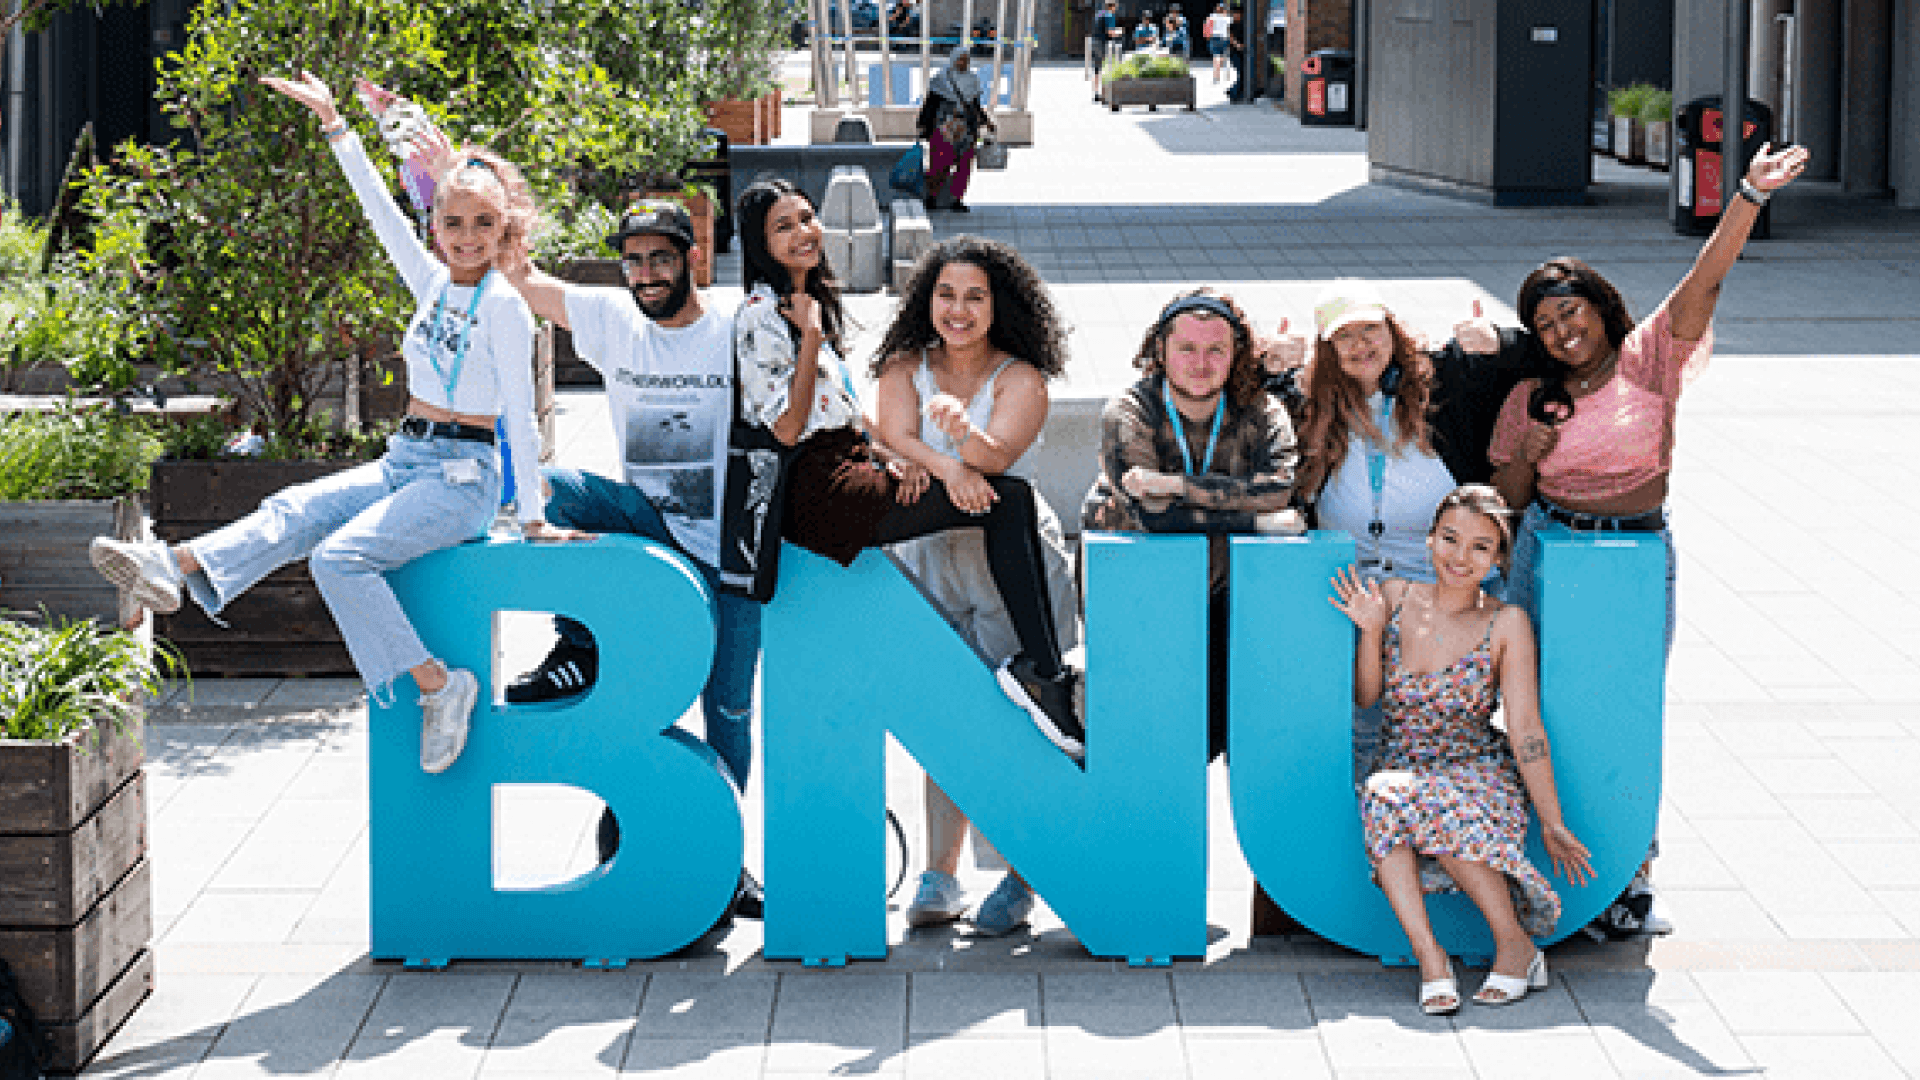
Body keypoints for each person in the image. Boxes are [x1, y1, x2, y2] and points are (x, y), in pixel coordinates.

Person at [91, 71, 549, 775]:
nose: (465, 237)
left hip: (464, 477)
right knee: (298, 505)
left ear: (504, 230)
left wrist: (535, 515)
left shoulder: (506, 309)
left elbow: (520, 412)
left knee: (341, 557)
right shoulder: (428, 283)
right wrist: (336, 124)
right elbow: (375, 209)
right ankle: (172, 567)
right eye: (453, 223)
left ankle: (439, 686)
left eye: (482, 224)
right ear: (435, 226)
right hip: (408, 459)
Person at [1487, 141, 1808, 941]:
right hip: (1547, 553)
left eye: (1571, 311)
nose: (1562, 331)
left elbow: (1706, 278)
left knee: (1623, 711)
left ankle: (1630, 877)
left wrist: (1747, 195)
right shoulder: (1531, 395)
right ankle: (1536, 862)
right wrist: (1526, 457)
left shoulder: (1650, 359)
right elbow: (1507, 504)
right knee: (1537, 709)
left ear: (1598, 304)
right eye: (1545, 323)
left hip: (1632, 558)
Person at [732, 179, 1082, 755]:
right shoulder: (761, 314)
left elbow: (853, 420)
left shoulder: (805, 304)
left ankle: (1042, 674)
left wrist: (896, 460)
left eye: (806, 217)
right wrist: (815, 339)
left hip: (849, 468)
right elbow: (789, 429)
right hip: (818, 489)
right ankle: (1045, 675)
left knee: (1007, 501)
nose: (802, 233)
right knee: (1010, 502)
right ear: (759, 243)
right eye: (783, 226)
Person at [499, 200, 766, 918]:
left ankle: (720, 862)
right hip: (652, 532)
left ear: (692, 261)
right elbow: (517, 276)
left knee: (729, 715)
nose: (646, 274)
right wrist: (441, 178)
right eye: (634, 260)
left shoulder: (735, 329)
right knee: (543, 486)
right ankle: (578, 641)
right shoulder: (614, 320)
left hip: (734, 552)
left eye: (661, 259)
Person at [870, 235, 1080, 938]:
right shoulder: (904, 366)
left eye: (975, 297)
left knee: (1024, 713)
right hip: (930, 555)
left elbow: (996, 460)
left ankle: (1026, 876)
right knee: (946, 711)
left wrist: (965, 445)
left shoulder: (1022, 379)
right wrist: (944, 460)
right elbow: (891, 436)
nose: (958, 309)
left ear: (999, 307)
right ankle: (940, 872)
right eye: (946, 293)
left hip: (1009, 565)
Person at [1082, 289, 1300, 938]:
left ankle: (1284, 906)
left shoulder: (1261, 410)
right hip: (1143, 603)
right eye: (1186, 348)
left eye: (1216, 349)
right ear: (1160, 350)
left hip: (1228, 595)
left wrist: (1177, 486)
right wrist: (1251, 517)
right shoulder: (1130, 408)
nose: (1201, 362)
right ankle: (1135, 892)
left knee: (1253, 742)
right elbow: (1150, 514)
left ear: (1237, 355)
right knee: (1150, 744)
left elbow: (1283, 487)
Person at [1329, 485, 1595, 1015]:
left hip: (1476, 771)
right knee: (1387, 794)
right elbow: (1367, 697)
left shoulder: (1506, 623)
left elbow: (1525, 727)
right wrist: (1371, 632)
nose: (1460, 557)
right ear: (1429, 541)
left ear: (1497, 559)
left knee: (1412, 801)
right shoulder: (1394, 596)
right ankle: (1430, 957)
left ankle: (1515, 944)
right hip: (1401, 767)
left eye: (1480, 546)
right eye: (1450, 539)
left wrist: (1551, 818)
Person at [1277, 280, 1549, 782]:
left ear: (1393, 331)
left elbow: (1545, 355)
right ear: (1326, 351)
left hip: (1442, 590)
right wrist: (1266, 362)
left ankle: (1434, 820)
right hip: (1350, 597)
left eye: (1370, 330)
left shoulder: (1444, 380)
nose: (1361, 345)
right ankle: (1371, 832)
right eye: (1344, 337)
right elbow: (1233, 392)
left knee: (1432, 733)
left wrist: (1499, 340)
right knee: (1354, 730)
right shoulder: (1306, 401)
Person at [917, 48, 996, 214]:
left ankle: (957, 199)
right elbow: (930, 104)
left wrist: (986, 121)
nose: (963, 63)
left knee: (964, 165)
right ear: (953, 60)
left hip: (966, 129)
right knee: (939, 164)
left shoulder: (972, 80)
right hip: (943, 129)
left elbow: (974, 105)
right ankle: (932, 197)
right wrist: (923, 125)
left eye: (966, 60)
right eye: (960, 59)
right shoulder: (940, 80)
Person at [1093, 0, 1124, 95]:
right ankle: (1105, 93)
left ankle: (1096, 92)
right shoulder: (1110, 15)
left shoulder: (1099, 14)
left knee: (1097, 69)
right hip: (1104, 43)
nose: (1116, 9)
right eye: (1116, 7)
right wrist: (1120, 32)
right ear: (1112, 6)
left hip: (1095, 42)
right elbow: (1110, 32)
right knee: (1107, 67)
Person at [1203, 3, 1231, 83]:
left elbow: (1207, 27)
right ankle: (1222, 75)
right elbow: (1229, 29)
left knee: (1216, 58)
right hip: (1224, 39)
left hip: (1214, 38)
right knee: (1222, 58)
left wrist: (1207, 37)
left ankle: (1216, 77)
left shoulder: (1211, 16)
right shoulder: (1227, 18)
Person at [1225, 8, 1248, 101]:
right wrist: (1237, 45)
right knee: (1241, 73)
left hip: (1244, 53)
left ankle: (1233, 91)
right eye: (1235, 14)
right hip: (1234, 53)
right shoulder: (1231, 26)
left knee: (1243, 73)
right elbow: (1231, 38)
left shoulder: (1245, 25)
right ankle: (1234, 94)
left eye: (1238, 14)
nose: (1236, 15)